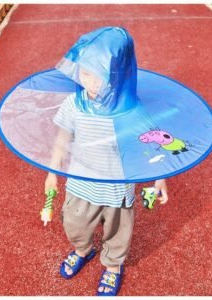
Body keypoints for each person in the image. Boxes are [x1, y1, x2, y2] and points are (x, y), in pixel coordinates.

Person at [44, 27, 168, 296]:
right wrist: (52, 171)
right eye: (84, 72)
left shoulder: (129, 109)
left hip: (116, 188)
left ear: (117, 76)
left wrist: (160, 178)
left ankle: (113, 266)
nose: (89, 81)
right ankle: (83, 249)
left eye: (98, 76)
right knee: (74, 223)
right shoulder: (73, 104)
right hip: (81, 182)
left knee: (118, 231)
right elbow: (62, 138)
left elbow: (153, 142)